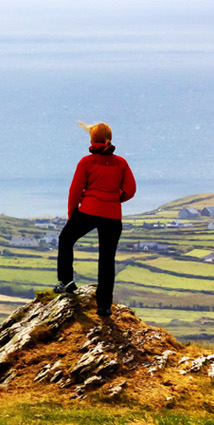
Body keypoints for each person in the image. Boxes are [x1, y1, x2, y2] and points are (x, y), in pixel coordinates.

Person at [56, 122, 136, 318]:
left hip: (89, 211)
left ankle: (66, 282)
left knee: (66, 239)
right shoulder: (121, 163)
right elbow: (130, 190)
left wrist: (72, 214)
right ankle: (104, 307)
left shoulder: (86, 162)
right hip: (112, 215)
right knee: (107, 260)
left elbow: (74, 191)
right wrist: (116, 198)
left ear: (92, 140)